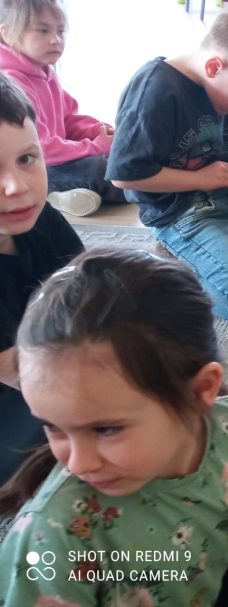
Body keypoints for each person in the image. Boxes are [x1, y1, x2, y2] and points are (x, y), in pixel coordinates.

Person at [0, 248, 228, 607]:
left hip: (198, 578)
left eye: (106, 430)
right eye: (52, 426)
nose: (77, 463)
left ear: (202, 390)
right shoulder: (53, 536)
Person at [105, 7, 228, 325]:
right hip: (181, 215)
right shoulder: (155, 90)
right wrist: (200, 179)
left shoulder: (220, 89)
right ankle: (173, 275)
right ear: (214, 67)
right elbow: (124, 175)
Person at [0, 72, 82, 484]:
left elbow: (88, 289)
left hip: (43, 359)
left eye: (27, 159)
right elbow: (22, 374)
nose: (16, 186)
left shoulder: (41, 219)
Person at [0, 0, 124, 217]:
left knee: (124, 157)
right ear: (8, 33)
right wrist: (95, 147)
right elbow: (41, 148)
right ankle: (46, 195)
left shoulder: (43, 71)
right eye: (43, 30)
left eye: (60, 31)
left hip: (56, 159)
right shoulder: (12, 83)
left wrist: (98, 131)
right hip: (33, 167)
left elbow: (68, 118)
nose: (55, 40)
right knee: (105, 171)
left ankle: (58, 198)